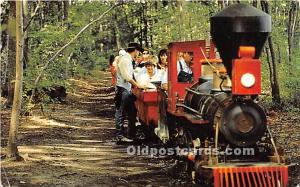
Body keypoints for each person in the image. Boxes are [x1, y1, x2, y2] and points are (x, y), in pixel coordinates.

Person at [115, 42, 144, 143]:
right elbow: (127, 77)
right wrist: (138, 85)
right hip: (123, 89)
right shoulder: (125, 60)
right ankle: (119, 136)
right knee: (121, 112)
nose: (138, 53)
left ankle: (131, 134)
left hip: (127, 89)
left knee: (132, 112)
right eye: (138, 51)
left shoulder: (128, 60)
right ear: (135, 50)